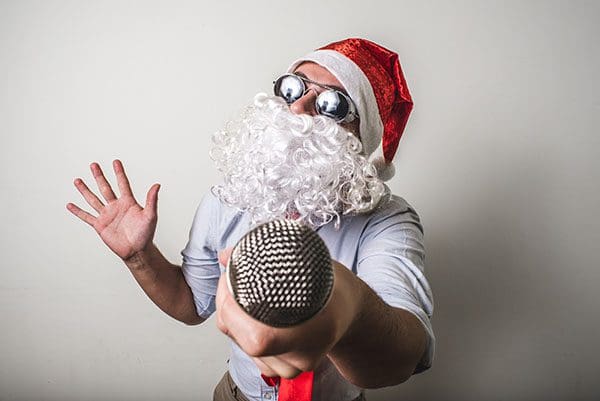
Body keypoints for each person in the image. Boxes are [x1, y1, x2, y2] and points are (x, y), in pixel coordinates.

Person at [67, 38, 435, 401]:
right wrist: (139, 256)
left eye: (331, 104)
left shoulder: (387, 221)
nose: (300, 108)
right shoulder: (228, 200)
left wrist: (344, 302)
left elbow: (403, 357)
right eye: (294, 88)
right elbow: (192, 304)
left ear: (359, 136)